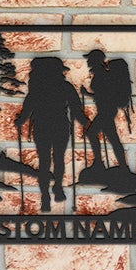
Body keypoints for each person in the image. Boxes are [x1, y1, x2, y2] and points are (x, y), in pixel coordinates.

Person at [14, 56, 87, 212]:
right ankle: (56, 189)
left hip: (43, 126)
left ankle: (47, 196)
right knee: (57, 159)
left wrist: (20, 120)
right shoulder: (64, 86)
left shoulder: (37, 88)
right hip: (58, 126)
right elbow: (76, 107)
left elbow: (27, 107)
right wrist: (82, 119)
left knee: (45, 161)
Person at [82, 48, 133, 174]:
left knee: (94, 134)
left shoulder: (101, 74)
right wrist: (88, 94)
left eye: (90, 59)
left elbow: (104, 95)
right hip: (106, 110)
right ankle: (121, 166)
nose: (88, 61)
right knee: (112, 138)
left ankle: (100, 163)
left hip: (106, 110)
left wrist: (87, 94)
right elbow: (102, 95)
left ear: (95, 60)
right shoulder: (101, 73)